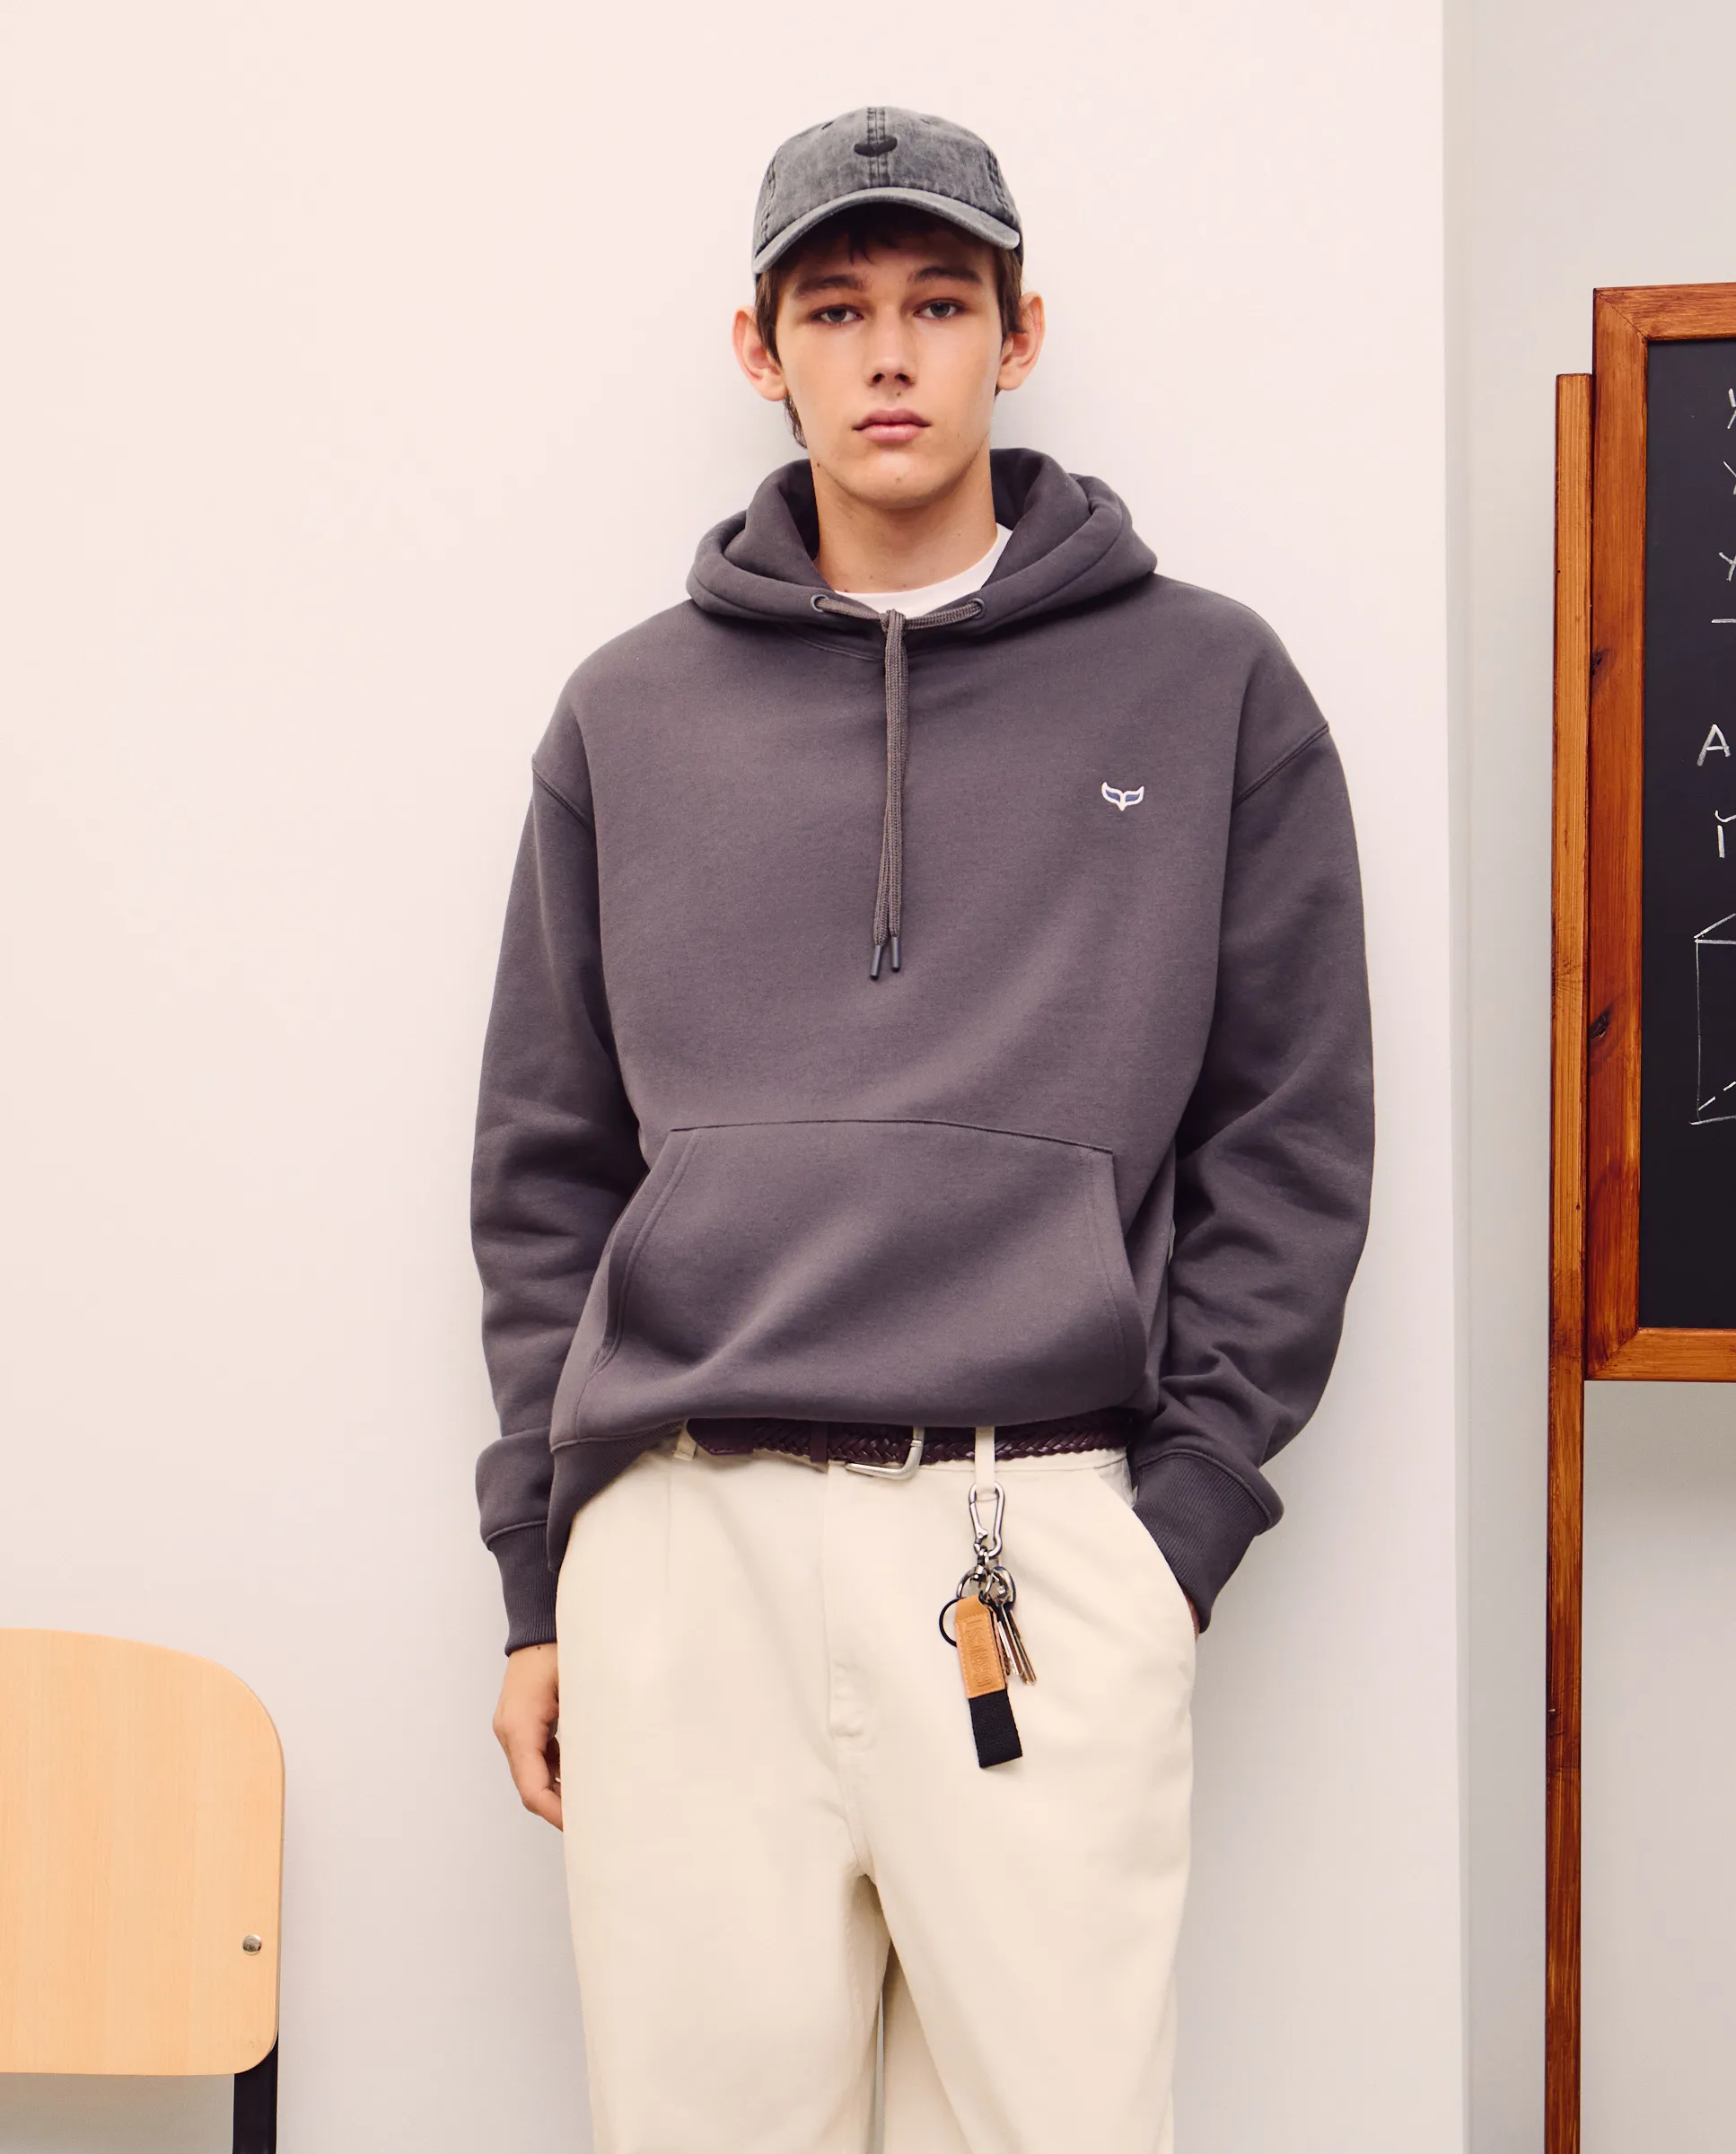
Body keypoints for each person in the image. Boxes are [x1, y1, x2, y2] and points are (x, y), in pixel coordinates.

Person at [471, 104, 1373, 2154]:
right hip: (682, 1552)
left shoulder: (1207, 685)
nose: (888, 354)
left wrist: (1173, 1528)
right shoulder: (626, 713)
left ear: (1017, 334)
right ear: (758, 350)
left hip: (1031, 1538)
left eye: (939, 304)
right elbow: (544, 1170)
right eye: (835, 308)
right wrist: (546, 1567)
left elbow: (1292, 1133)